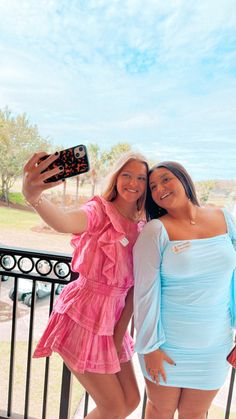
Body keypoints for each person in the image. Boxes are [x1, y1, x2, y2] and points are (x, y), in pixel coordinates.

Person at [22, 150, 149, 419]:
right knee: (113, 407)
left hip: (113, 320)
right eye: (126, 175)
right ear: (115, 178)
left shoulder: (143, 226)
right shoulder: (99, 210)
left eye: (141, 177)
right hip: (84, 314)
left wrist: (118, 334)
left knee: (131, 400)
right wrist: (34, 198)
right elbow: (65, 221)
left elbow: (132, 290)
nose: (133, 183)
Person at [133, 161, 236, 419]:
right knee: (160, 410)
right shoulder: (155, 230)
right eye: (153, 186)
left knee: (196, 413)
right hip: (167, 347)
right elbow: (144, 294)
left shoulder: (224, 217)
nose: (160, 189)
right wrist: (150, 348)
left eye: (166, 179)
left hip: (215, 347)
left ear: (183, 179)